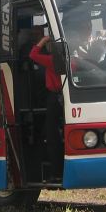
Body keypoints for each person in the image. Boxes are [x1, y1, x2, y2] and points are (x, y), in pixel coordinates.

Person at [29, 35, 64, 180]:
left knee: (51, 135)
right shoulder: (70, 60)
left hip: (54, 99)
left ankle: (55, 173)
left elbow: (33, 54)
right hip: (66, 98)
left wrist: (43, 39)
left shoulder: (51, 60)